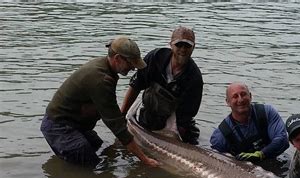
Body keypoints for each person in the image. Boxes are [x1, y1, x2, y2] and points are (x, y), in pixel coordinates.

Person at [40, 36, 159, 168]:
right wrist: (145, 160)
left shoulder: (105, 67)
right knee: (95, 167)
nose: (133, 68)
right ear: (118, 58)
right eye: (131, 63)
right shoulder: (101, 79)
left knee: (99, 147)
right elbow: (116, 125)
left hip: (75, 124)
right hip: (59, 126)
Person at [121, 26, 203, 145]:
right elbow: (136, 86)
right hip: (149, 116)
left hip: (176, 122)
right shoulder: (155, 58)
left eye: (187, 46)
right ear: (171, 45)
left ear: (193, 47)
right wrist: (122, 115)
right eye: (179, 45)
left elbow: (186, 116)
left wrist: (175, 139)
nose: (183, 49)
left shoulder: (194, 78)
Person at [210, 82, 289, 163]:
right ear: (228, 102)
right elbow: (216, 161)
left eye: (243, 94)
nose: (240, 99)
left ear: (250, 96)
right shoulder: (221, 135)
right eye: (235, 96)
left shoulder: (267, 112)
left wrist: (261, 154)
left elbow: (283, 139)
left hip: (272, 161)